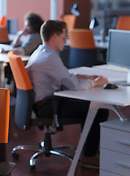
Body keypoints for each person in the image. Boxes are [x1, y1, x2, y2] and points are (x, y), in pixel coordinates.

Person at [26, 19, 109, 169]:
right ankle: (89, 156)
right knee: (98, 109)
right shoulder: (50, 58)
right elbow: (73, 86)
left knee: (91, 106)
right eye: (64, 38)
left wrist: (83, 76)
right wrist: (95, 83)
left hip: (42, 102)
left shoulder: (40, 52)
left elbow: (64, 75)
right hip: (49, 106)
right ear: (54, 37)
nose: (66, 41)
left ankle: (88, 152)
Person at [0, 12, 44, 87]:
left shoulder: (36, 37)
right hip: (19, 64)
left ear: (32, 26)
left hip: (23, 66)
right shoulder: (31, 36)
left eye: (27, 25)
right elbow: (14, 46)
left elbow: (23, 50)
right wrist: (19, 35)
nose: (25, 28)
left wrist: (7, 51)